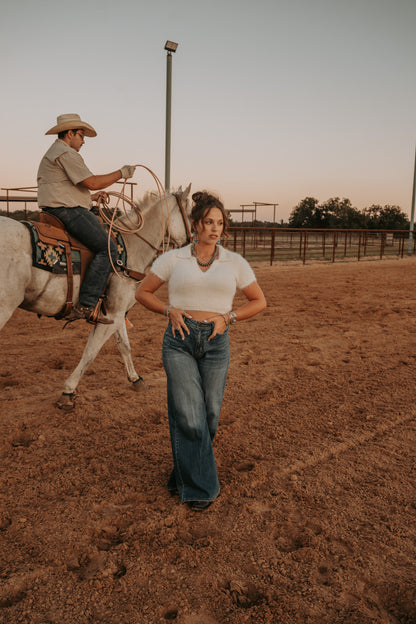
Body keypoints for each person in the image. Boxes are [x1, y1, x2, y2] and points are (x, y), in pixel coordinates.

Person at [135, 191, 266, 511]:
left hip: (216, 343)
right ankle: (200, 490)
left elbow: (259, 301)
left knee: (208, 417)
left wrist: (228, 317)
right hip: (178, 342)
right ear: (195, 225)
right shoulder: (172, 259)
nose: (215, 228)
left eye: (220, 223)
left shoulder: (235, 262)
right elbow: (142, 292)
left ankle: (182, 473)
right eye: (209, 222)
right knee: (189, 414)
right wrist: (169, 310)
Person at [37, 113, 136, 324]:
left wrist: (89, 198)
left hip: (59, 207)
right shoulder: (66, 153)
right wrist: (122, 172)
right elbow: (92, 182)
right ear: (69, 134)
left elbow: (66, 188)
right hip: (66, 211)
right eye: (81, 135)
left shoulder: (56, 153)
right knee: (108, 247)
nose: (83, 141)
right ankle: (87, 304)